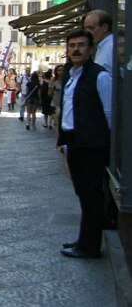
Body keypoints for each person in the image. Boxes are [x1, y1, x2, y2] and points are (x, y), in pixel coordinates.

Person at [58, 29, 112, 259]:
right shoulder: (70, 74)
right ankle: (84, 239)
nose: (76, 50)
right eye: (71, 46)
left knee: (91, 195)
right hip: (73, 141)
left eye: (81, 45)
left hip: (91, 143)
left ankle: (90, 246)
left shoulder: (100, 76)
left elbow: (109, 113)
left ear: (91, 49)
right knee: (83, 193)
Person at [51, 65, 64, 145]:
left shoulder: (67, 79)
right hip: (56, 102)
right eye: (59, 70)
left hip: (65, 103)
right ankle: (59, 138)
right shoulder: (54, 80)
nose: (61, 72)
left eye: (62, 70)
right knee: (57, 121)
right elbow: (50, 93)